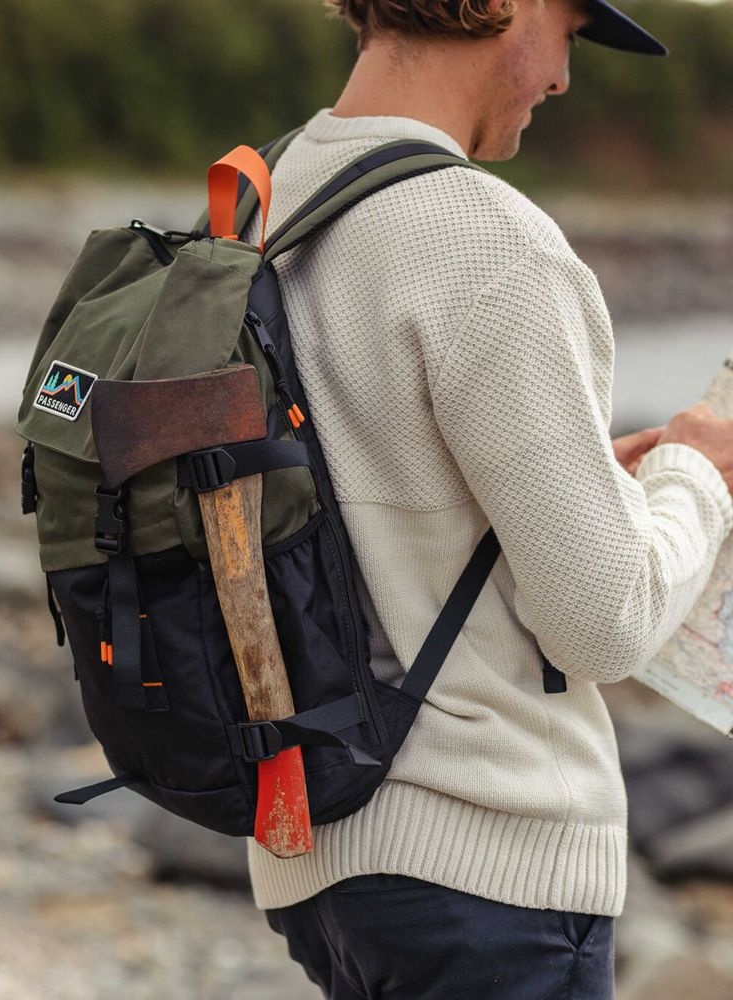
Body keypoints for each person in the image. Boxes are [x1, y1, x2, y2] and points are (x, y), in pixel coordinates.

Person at [238, 1, 733, 996]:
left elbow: (360, 474)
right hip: (483, 864)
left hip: (314, 851)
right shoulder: (489, 240)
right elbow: (602, 622)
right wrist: (696, 474)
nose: (560, 77)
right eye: (566, 30)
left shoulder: (268, 192)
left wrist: (576, 470)